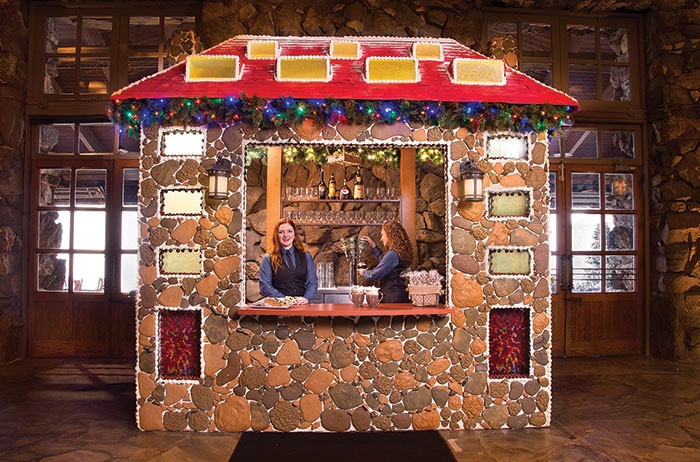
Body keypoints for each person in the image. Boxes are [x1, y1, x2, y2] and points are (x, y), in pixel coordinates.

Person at [259, 218, 317, 304]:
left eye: (289, 231)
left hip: (301, 307)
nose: (286, 235)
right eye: (281, 232)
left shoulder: (306, 257)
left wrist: (306, 298)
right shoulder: (268, 259)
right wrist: (285, 300)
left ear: (294, 234)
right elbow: (265, 286)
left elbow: (312, 283)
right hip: (278, 307)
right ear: (277, 235)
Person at [360, 220, 413, 303]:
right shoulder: (397, 252)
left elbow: (374, 274)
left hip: (392, 296)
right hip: (398, 293)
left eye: (382, 235)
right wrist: (373, 245)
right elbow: (385, 261)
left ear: (390, 235)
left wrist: (363, 273)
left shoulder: (392, 254)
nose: (381, 239)